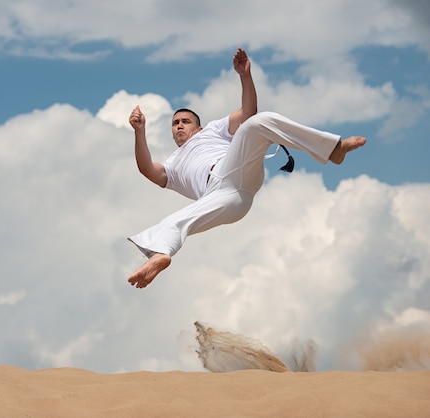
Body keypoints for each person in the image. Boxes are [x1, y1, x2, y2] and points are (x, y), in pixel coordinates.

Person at [126, 48, 366, 289]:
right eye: (175, 123)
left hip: (232, 168)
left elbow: (248, 112)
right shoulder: (172, 165)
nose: (179, 126)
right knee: (173, 221)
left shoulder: (212, 130)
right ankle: (160, 255)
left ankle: (332, 149)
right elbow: (146, 168)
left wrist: (245, 76)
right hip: (224, 200)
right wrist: (140, 131)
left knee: (258, 122)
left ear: (197, 128)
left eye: (185, 122)